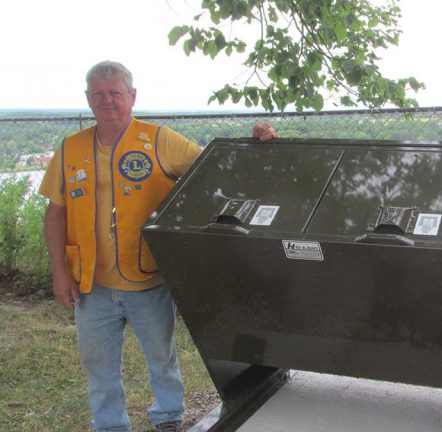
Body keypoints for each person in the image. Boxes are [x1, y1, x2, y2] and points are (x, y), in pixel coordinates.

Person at [39, 60, 278, 432]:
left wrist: (258, 143)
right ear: (88, 99)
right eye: (98, 94)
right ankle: (109, 426)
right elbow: (55, 213)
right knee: (97, 364)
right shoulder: (71, 149)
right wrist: (59, 272)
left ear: (132, 96)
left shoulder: (158, 140)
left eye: (115, 93)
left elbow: (217, 170)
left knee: (160, 359)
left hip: (148, 278)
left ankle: (168, 418)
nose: (107, 101)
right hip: (91, 285)